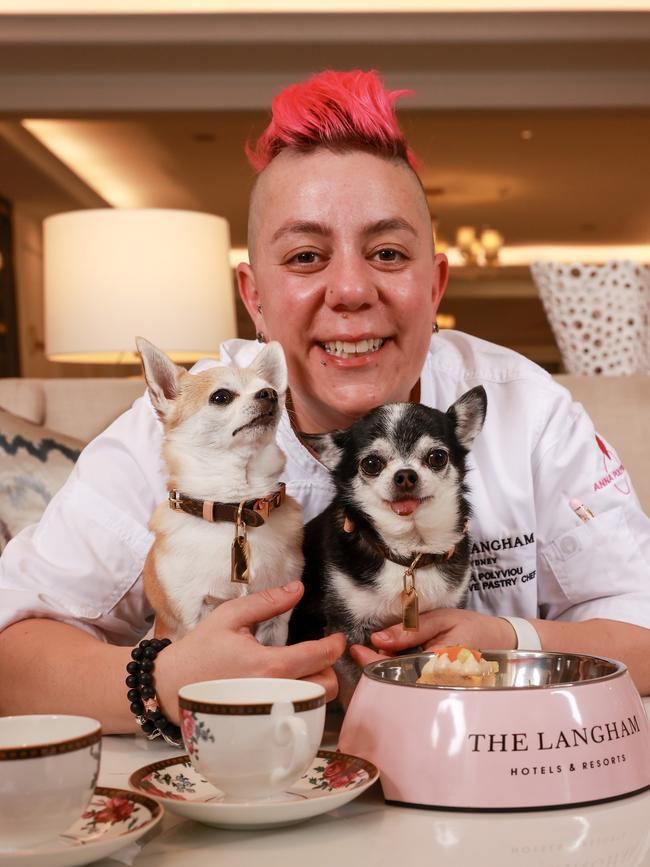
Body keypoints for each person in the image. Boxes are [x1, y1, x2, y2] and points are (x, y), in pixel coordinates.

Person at [1, 70, 650, 735]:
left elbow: (642, 622)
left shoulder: (527, 411)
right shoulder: (180, 430)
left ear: (435, 285)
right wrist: (166, 679)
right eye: (307, 256)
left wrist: (509, 638)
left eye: (388, 252)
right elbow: (12, 649)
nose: (349, 289)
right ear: (254, 296)